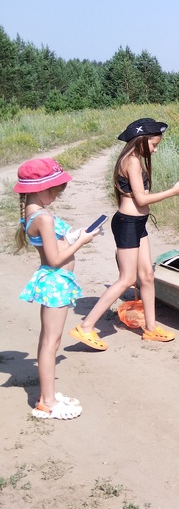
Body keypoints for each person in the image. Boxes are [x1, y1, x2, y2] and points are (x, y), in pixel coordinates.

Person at [69, 118, 179, 349]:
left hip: (138, 222)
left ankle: (151, 328)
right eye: (153, 144)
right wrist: (172, 192)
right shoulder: (132, 162)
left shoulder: (134, 160)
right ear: (142, 141)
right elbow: (141, 199)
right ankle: (85, 327)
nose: (155, 149)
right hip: (127, 224)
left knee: (147, 276)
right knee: (126, 279)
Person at [15, 157, 100, 419]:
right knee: (51, 343)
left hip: (52, 282)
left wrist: (73, 237)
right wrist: (82, 242)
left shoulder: (30, 212)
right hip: (56, 282)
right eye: (55, 189)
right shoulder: (44, 217)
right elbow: (54, 259)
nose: (58, 194)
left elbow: (53, 245)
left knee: (48, 341)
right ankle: (48, 402)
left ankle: (46, 395)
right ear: (41, 189)